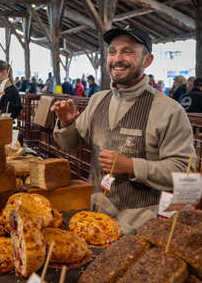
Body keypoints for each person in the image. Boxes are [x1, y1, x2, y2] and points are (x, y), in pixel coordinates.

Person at [51, 25, 195, 235]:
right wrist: (66, 124)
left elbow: (186, 172)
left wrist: (131, 166)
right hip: (94, 218)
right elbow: (71, 144)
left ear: (147, 60)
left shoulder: (169, 110)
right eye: (112, 51)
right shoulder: (97, 100)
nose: (117, 58)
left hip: (141, 227)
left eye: (128, 51)